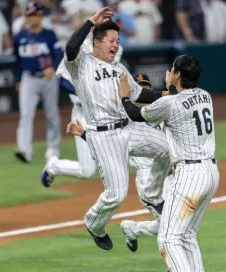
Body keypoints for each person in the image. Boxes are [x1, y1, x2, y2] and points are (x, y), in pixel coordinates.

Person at [51, 7, 172, 251]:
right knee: (116, 195)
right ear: (97, 42)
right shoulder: (82, 63)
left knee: (168, 149)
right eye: (111, 40)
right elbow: (71, 47)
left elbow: (140, 95)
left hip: (129, 128)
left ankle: (152, 194)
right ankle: (94, 224)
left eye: (118, 40)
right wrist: (90, 21)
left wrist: (167, 94)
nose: (116, 44)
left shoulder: (119, 68)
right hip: (104, 136)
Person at [44, 73, 175, 252]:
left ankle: (132, 229)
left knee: (174, 223)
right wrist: (84, 134)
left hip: (169, 175)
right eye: (138, 88)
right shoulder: (124, 119)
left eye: (146, 88)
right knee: (173, 225)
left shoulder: (158, 110)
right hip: (148, 178)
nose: (143, 91)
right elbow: (108, 141)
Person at [118, 55, 220, 271]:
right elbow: (180, 102)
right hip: (211, 173)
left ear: (178, 75)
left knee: (168, 239)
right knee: (187, 235)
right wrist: (171, 88)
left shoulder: (170, 102)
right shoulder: (205, 96)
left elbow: (135, 114)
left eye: (173, 69)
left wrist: (124, 98)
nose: (170, 71)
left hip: (189, 175)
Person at [44, 32, 123, 180]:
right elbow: (63, 81)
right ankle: (53, 165)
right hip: (83, 113)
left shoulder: (117, 49)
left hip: (106, 112)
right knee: (86, 171)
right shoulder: (78, 49)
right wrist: (84, 92)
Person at [13, 1, 63, 163]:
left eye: (36, 15)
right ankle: (24, 150)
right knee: (26, 115)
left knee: (51, 114)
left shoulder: (49, 34)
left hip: (48, 78)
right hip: (28, 78)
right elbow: (16, 61)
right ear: (26, 18)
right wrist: (17, 79)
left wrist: (53, 68)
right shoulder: (20, 37)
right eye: (30, 15)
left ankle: (53, 149)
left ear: (41, 17)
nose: (33, 18)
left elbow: (59, 55)